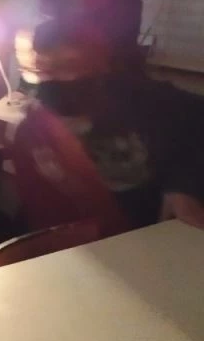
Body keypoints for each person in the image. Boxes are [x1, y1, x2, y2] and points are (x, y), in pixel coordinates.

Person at [19, 18, 204, 231]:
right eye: (45, 68)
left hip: (157, 229)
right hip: (90, 238)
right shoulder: (35, 130)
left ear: (99, 66)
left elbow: (197, 122)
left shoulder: (147, 100)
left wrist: (183, 187)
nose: (54, 79)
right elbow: (47, 220)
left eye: (68, 66)